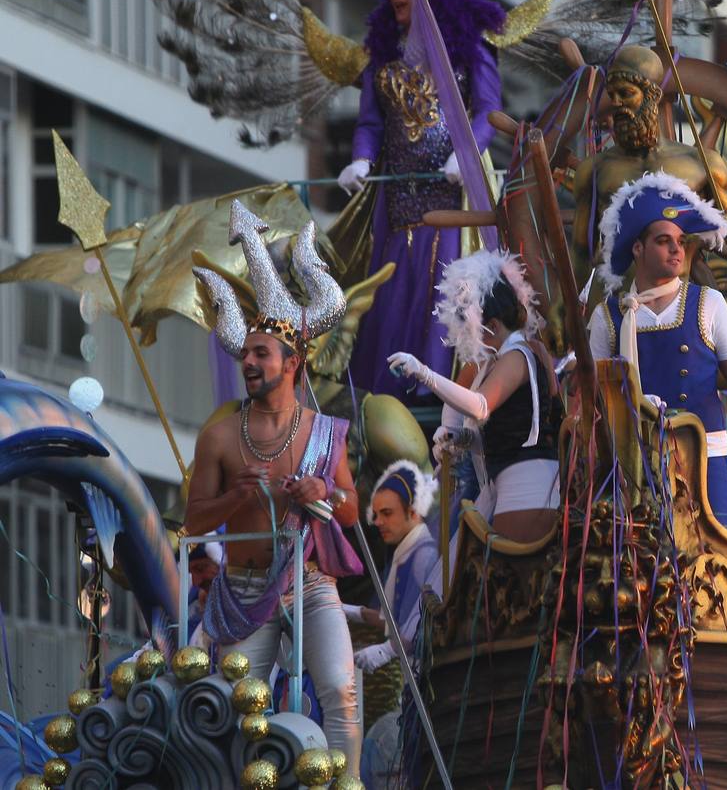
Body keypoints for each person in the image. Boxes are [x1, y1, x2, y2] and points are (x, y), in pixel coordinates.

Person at [333, 0, 532, 402]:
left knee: (442, 290)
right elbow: (371, 123)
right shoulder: (382, 58)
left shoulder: (467, 49)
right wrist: (358, 158)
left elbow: (487, 112)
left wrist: (463, 157)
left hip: (454, 203)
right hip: (397, 205)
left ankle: (440, 389)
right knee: (392, 291)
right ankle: (388, 392)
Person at [188, 204, 362, 769]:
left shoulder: (326, 432)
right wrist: (237, 497)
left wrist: (322, 495)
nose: (249, 363)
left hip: (309, 584)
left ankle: (349, 783)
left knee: (340, 690)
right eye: (246, 354)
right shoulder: (218, 436)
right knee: (241, 706)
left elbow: (351, 511)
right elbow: (192, 523)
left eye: (261, 354)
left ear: (293, 363)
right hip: (242, 592)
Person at [586, 173, 727, 521]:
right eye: (664, 241)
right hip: (635, 460)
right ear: (638, 248)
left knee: (711, 560)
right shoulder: (607, 317)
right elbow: (591, 393)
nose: (677, 249)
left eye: (680, 241)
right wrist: (628, 401)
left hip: (704, 457)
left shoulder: (709, 302)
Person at [388, 250, 560, 545]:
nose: (471, 342)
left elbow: (480, 407)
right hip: (499, 484)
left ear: (492, 326)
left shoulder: (517, 355)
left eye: (472, 330)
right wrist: (458, 442)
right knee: (455, 573)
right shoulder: (497, 359)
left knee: (502, 579)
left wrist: (423, 372)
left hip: (528, 485)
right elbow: (490, 429)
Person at [570, 46, 727, 286]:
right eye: (611, 95)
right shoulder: (594, 170)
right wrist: (565, 305)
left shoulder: (702, 163)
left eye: (625, 93)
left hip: (684, 302)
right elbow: (582, 250)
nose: (616, 104)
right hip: (622, 305)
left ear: (652, 95)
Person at [345, 461, 442, 675]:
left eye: (387, 513)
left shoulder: (423, 556)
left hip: (428, 673)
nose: (378, 522)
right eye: (376, 514)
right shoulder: (405, 553)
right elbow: (394, 620)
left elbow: (419, 626)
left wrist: (386, 651)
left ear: (413, 512)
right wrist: (350, 611)